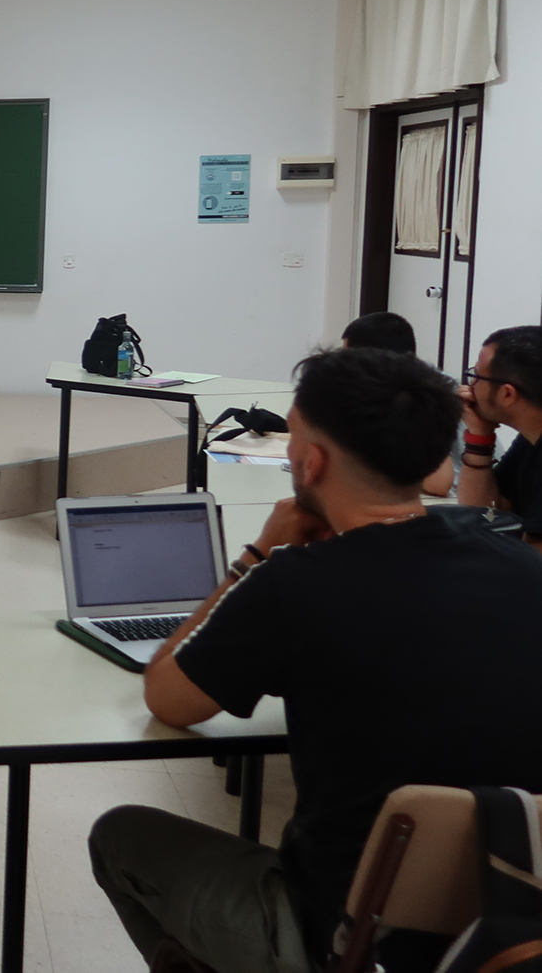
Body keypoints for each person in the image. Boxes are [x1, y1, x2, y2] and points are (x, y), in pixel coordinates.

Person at [88, 347, 542, 973]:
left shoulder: (297, 584)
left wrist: (255, 557)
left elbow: (168, 697)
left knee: (119, 837)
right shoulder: (525, 567)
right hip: (508, 926)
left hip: (348, 940)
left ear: (312, 460)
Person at [338, 311, 454, 497]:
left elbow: (438, 484)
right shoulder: (389, 385)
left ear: (372, 360)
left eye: (348, 358)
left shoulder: (421, 391)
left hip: (457, 500)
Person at [457, 324, 542, 549]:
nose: (470, 386)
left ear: (507, 394)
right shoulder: (530, 439)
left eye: (476, 376)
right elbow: (485, 513)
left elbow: (533, 562)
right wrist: (479, 436)